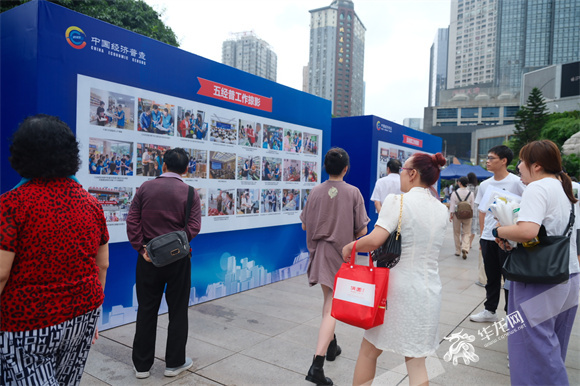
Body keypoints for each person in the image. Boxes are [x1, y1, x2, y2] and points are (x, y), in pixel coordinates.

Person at [0, 114, 109, 385]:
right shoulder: (91, 203)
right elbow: (102, 264)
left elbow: (1, 273)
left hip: (26, 322)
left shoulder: (12, 204)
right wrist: (92, 313)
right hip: (83, 313)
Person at [342, 152, 448, 386]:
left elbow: (374, 240)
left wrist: (351, 246)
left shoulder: (397, 201)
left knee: (369, 351)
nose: (400, 173)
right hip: (429, 292)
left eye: (403, 169)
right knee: (416, 363)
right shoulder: (441, 209)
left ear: (412, 173)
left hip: (396, 291)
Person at [493, 140, 579, 385]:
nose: (518, 167)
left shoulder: (537, 188)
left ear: (537, 166)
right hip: (569, 275)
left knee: (532, 349)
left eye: (522, 161)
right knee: (553, 346)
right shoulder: (566, 188)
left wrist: (501, 232)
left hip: (539, 279)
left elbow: (529, 230)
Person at [126, 148, 202, 379]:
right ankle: (174, 363)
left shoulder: (145, 188)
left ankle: (141, 366)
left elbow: (132, 221)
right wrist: (175, 247)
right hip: (179, 260)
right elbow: (194, 227)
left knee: (146, 310)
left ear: (163, 165)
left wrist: (141, 248)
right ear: (187, 169)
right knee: (178, 311)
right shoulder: (190, 193)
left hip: (148, 259)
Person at [300, 148, 370, 386]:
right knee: (332, 306)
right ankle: (316, 365)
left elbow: (304, 225)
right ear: (346, 168)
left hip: (320, 253)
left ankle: (331, 347)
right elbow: (363, 231)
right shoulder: (354, 193)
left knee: (329, 300)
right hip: (341, 255)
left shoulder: (316, 191)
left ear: (325, 167)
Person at [470, 145, 525, 323]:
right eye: (487, 157)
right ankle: (490, 310)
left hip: (509, 238)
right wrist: (482, 236)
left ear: (504, 161)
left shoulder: (517, 182)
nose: (487, 161)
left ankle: (511, 314)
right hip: (488, 237)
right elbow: (482, 211)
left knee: (509, 277)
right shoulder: (485, 184)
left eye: (491, 158)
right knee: (491, 275)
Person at [467, 172, 485, 286]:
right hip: (476, 210)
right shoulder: (479, 187)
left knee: (466, 229)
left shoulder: (465, 187)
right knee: (473, 229)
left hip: (466, 210)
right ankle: (469, 243)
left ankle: (466, 244)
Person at [449, 176, 474, 259]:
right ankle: (465, 247)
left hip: (457, 215)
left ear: (459, 183)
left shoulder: (454, 193)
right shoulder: (471, 193)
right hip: (467, 215)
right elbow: (472, 206)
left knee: (456, 233)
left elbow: (452, 205)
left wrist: (451, 215)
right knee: (467, 232)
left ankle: (458, 250)